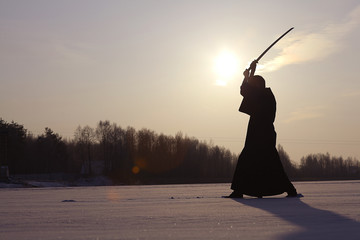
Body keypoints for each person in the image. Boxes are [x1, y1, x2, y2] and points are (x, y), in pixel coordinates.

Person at [228, 60, 297, 198]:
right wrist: (250, 74)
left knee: (268, 162)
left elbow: (247, 91)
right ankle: (240, 190)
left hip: (263, 135)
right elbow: (248, 91)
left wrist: (248, 75)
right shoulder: (262, 95)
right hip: (257, 134)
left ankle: (290, 189)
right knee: (251, 160)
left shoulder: (265, 96)